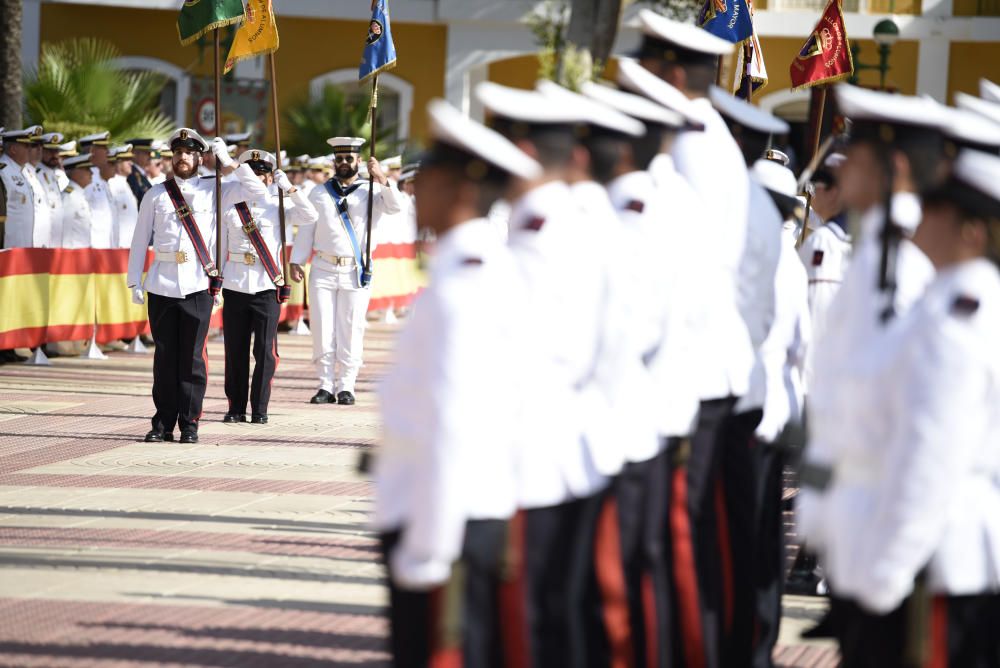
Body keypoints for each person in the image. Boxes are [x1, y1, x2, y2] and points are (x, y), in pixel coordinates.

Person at [375, 98, 540, 668]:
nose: (417, 194)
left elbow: (455, 422)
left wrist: (429, 547)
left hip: (447, 520)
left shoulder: (463, 287)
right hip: (461, 512)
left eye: (430, 182)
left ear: (463, 191)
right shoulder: (474, 270)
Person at [828, 148, 1000, 666]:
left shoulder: (957, 319)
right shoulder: (944, 301)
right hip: (929, 560)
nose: (922, 211)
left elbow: (930, 459)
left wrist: (882, 573)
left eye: (939, 207)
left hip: (934, 566)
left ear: (973, 232)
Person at [630, 12, 755, 666]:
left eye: (648, 66)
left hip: (690, 373)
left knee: (679, 546)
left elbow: (684, 272)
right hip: (698, 368)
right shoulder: (704, 138)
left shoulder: (690, 144)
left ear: (672, 73)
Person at [127, 129, 269, 444]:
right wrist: (134, 280)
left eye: (189, 153)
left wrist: (230, 162)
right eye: (177, 152)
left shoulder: (216, 189)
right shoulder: (156, 194)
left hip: (197, 284)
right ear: (171, 157)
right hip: (162, 285)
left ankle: (189, 422)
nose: (182, 158)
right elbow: (139, 241)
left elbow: (259, 192)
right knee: (164, 359)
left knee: (193, 360)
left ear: (199, 157)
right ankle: (162, 423)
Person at [746, 159, 812, 667]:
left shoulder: (758, 253)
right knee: (767, 538)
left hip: (751, 413)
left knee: (750, 537)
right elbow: (803, 346)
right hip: (776, 414)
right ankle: (761, 640)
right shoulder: (788, 259)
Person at [290, 136, 402, 406]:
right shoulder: (319, 192)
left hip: (355, 269)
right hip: (323, 268)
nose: (343, 163)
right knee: (322, 326)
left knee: (350, 328)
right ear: (333, 162)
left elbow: (396, 206)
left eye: (349, 159)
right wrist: (297, 259)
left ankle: (347, 385)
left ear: (359, 161)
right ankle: (325, 384)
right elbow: (307, 227)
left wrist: (382, 178)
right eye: (339, 159)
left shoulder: (372, 190)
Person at [218, 149, 317, 424]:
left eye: (263, 175)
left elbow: (310, 215)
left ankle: (259, 408)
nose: (259, 180)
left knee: (265, 352)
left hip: (266, 285)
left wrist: (292, 189)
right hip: (236, 284)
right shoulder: (231, 203)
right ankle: (235, 408)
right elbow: (222, 244)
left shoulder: (279, 205)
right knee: (235, 351)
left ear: (271, 179)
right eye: (253, 174)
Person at [798, 152, 851, 388]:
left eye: (818, 186)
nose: (813, 192)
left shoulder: (823, 242)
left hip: (812, 378)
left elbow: (814, 310)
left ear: (834, 193)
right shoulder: (858, 242)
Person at [0, 125, 52, 249]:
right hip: (9, 247)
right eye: (26, 146)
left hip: (24, 247)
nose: (30, 149)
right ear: (13, 149)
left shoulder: (21, 171)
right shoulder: (3, 172)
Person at [78, 131, 116, 249]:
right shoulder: (86, 179)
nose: (108, 152)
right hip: (94, 248)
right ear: (92, 151)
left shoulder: (100, 179)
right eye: (104, 148)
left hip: (107, 247)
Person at [36, 132, 66, 248]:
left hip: (56, 240)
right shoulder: (36, 174)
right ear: (41, 151)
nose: (54, 155)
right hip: (44, 241)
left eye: (56, 151)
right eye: (50, 151)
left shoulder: (54, 174)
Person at [61, 153, 96, 249]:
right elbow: (64, 232)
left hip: (82, 254)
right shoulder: (70, 196)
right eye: (87, 169)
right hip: (73, 255)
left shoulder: (78, 194)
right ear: (76, 172)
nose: (91, 173)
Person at [108, 144, 139, 249]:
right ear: (117, 163)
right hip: (120, 246)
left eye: (130, 159)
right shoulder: (111, 184)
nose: (131, 163)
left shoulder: (125, 183)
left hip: (131, 246)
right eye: (126, 159)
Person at [125, 138, 155, 204]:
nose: (150, 156)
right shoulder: (132, 175)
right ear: (135, 154)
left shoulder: (140, 173)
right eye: (147, 152)